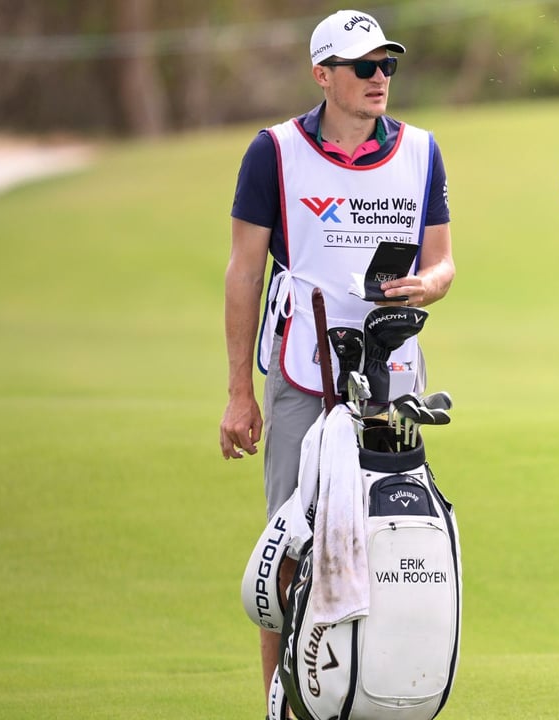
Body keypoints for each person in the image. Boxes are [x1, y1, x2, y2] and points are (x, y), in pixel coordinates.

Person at [218, 8, 455, 711]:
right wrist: (239, 392)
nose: (380, 78)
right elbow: (244, 272)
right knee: (290, 544)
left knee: (387, 536)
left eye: (387, 65)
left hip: (392, 374)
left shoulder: (421, 150)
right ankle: (285, 704)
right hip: (303, 365)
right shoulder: (275, 151)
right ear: (323, 75)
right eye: (363, 67)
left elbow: (442, 263)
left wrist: (427, 285)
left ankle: (368, 699)